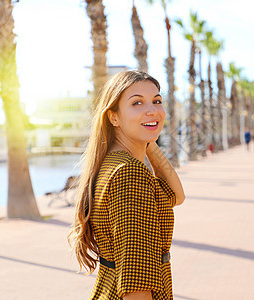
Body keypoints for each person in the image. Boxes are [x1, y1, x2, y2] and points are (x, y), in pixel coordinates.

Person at [68, 71, 185, 300]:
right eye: (137, 103)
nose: (152, 110)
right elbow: (136, 284)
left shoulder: (113, 162)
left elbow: (177, 196)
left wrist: (147, 140)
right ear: (114, 118)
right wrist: (145, 133)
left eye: (157, 101)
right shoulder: (129, 173)